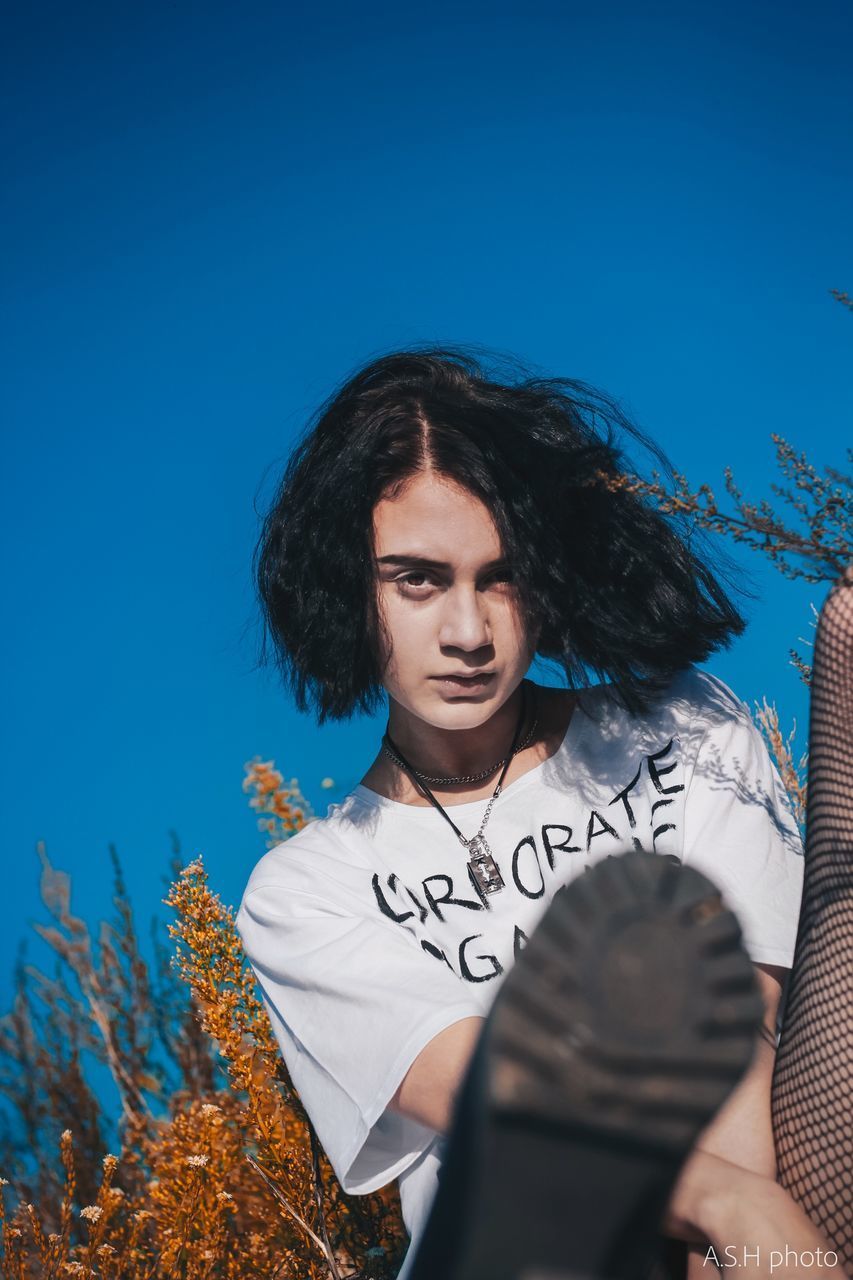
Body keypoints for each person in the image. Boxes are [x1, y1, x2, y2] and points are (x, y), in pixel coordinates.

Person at [235, 348, 843, 1279]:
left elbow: (760, 1012)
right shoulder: (307, 891)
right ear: (346, 588)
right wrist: (732, 1204)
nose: (469, 632)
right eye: (417, 579)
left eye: (501, 576)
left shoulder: (678, 727)